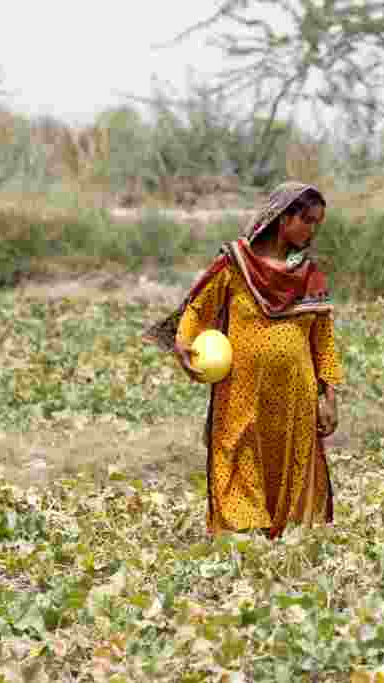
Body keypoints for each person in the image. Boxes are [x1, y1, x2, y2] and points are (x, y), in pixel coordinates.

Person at [144, 181, 344, 539]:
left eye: (319, 223)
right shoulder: (235, 265)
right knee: (237, 455)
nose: (314, 231)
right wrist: (183, 344)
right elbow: (197, 309)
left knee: (289, 465)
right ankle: (243, 540)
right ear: (284, 219)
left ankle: (282, 541)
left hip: (294, 399)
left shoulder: (309, 276)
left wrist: (329, 397)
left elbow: (323, 339)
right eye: (309, 221)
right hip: (240, 393)